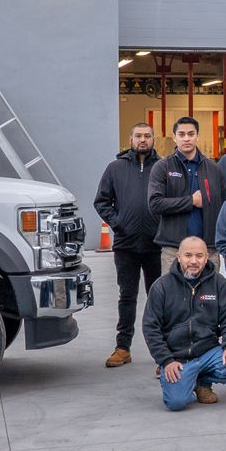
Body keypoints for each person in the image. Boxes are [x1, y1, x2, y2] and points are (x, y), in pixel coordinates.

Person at [142, 235, 226, 410]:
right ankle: (188, 380)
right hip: (177, 358)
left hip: (207, 352)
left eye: (199, 256)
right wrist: (166, 360)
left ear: (206, 258)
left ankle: (203, 382)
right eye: (188, 255)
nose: (194, 261)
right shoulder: (161, 287)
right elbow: (151, 328)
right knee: (176, 403)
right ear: (178, 257)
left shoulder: (219, 284)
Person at [93, 122, 160, 369]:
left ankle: (162, 354)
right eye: (138, 135)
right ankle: (123, 348)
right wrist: (117, 222)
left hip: (157, 245)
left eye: (147, 136)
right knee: (127, 297)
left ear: (154, 139)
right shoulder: (115, 168)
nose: (143, 140)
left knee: (158, 298)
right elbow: (101, 201)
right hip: (126, 245)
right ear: (130, 138)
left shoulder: (162, 167)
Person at [148, 115, 225, 272]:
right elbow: (155, 204)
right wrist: (191, 201)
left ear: (197, 136)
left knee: (208, 295)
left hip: (207, 249)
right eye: (181, 134)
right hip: (173, 249)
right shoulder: (163, 167)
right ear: (174, 138)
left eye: (191, 134)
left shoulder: (213, 168)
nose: (186, 138)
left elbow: (224, 205)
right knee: (173, 296)